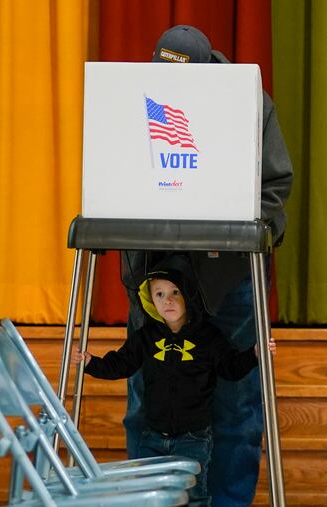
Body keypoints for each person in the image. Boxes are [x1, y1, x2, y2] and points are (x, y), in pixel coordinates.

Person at [120, 24, 294, 506]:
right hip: (156, 282)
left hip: (226, 279)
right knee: (148, 404)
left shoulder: (249, 102)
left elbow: (274, 190)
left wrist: (243, 230)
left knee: (235, 406)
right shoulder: (132, 100)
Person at [76, 254, 276, 506]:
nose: (167, 301)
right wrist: (91, 363)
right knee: (153, 485)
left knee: (195, 491)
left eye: (174, 293)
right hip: (153, 436)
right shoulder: (146, 337)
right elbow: (122, 363)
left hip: (193, 437)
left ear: (187, 297)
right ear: (151, 299)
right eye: (159, 295)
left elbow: (231, 368)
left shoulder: (208, 338)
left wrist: (253, 355)